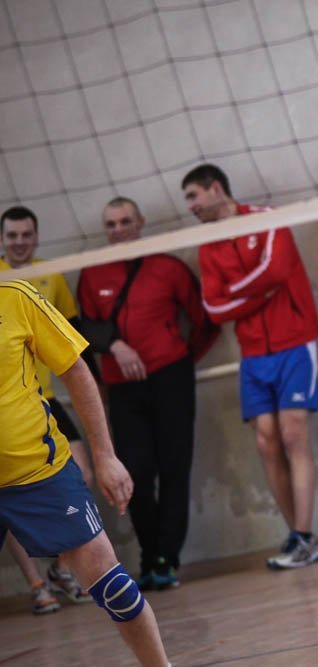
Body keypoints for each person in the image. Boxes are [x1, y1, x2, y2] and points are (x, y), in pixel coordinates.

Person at [0, 279, 170, 665]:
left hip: (39, 474)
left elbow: (75, 369)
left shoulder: (16, 298)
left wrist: (105, 455)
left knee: (114, 588)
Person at [185, 164, 318, 569]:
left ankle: (304, 536)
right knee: (267, 442)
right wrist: (258, 293)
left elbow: (277, 270)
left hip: (294, 341)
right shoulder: (208, 245)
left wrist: (238, 293)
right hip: (253, 353)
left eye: (194, 196)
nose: (191, 205)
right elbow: (214, 308)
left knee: (293, 432)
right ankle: (298, 537)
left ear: (215, 188)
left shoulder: (266, 219)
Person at [77, 197, 219, 591]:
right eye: (111, 224)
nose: (119, 230)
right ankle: (149, 554)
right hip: (123, 388)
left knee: (175, 468)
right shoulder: (91, 273)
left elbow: (205, 321)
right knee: (134, 473)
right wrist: (115, 346)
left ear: (139, 222)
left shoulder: (167, 266)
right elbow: (84, 328)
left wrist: (179, 360)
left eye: (125, 221)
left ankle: (165, 560)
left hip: (170, 379)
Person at [1, 206, 96, 612]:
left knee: (83, 473)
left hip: (46, 398)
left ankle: (61, 568)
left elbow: (74, 341)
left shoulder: (51, 275)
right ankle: (37, 584)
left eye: (26, 234)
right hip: (13, 404)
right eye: (12, 235)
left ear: (36, 237)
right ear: (3, 239)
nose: (19, 241)